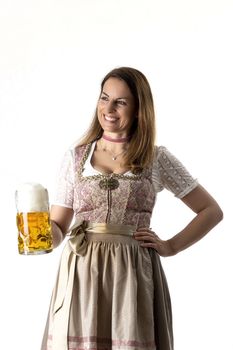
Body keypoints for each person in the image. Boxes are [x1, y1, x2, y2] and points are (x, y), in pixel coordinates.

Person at [41, 67, 223, 350]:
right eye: (104, 98)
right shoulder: (75, 157)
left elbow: (211, 211)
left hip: (133, 271)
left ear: (139, 109)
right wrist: (36, 229)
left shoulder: (156, 157)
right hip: (83, 272)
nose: (109, 108)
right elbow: (58, 230)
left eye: (121, 102)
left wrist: (171, 246)